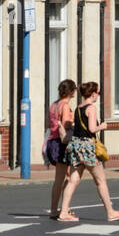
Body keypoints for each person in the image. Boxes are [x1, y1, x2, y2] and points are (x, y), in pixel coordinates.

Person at [57, 81, 119, 223]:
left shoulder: (78, 108)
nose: (98, 96)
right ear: (93, 93)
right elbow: (92, 129)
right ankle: (110, 212)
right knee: (100, 181)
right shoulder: (91, 108)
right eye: (98, 93)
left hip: (76, 147)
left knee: (73, 180)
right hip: (88, 148)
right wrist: (102, 126)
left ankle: (63, 212)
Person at [45, 79, 77, 219]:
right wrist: (74, 121)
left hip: (52, 141)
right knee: (62, 178)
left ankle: (59, 208)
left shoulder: (53, 105)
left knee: (65, 176)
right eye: (74, 89)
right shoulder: (64, 106)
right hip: (61, 143)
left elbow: (48, 123)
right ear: (71, 92)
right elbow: (66, 125)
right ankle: (60, 210)